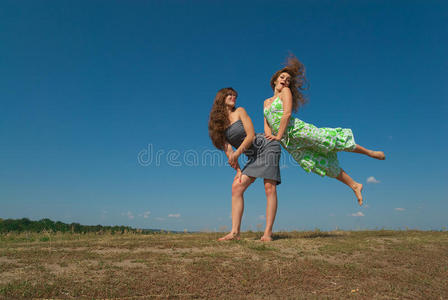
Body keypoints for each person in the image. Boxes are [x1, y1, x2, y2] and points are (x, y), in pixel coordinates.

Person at [263, 55, 385, 206]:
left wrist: (279, 135)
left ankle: (369, 152)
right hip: (289, 143)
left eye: (288, 80)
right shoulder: (266, 102)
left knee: (328, 140)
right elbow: (267, 124)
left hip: (297, 130)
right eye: (282, 77)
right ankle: (354, 185)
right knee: (317, 162)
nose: (285, 81)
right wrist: (270, 137)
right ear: (275, 80)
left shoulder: (285, 92)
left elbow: (287, 114)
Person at [209, 87, 281, 241]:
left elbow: (249, 136)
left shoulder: (240, 111)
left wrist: (237, 153)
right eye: (229, 94)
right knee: (236, 187)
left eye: (235, 94)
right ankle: (235, 233)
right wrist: (238, 170)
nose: (233, 96)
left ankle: (267, 233)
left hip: (266, 146)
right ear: (221, 98)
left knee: (269, 187)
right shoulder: (219, 127)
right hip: (251, 156)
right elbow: (229, 152)